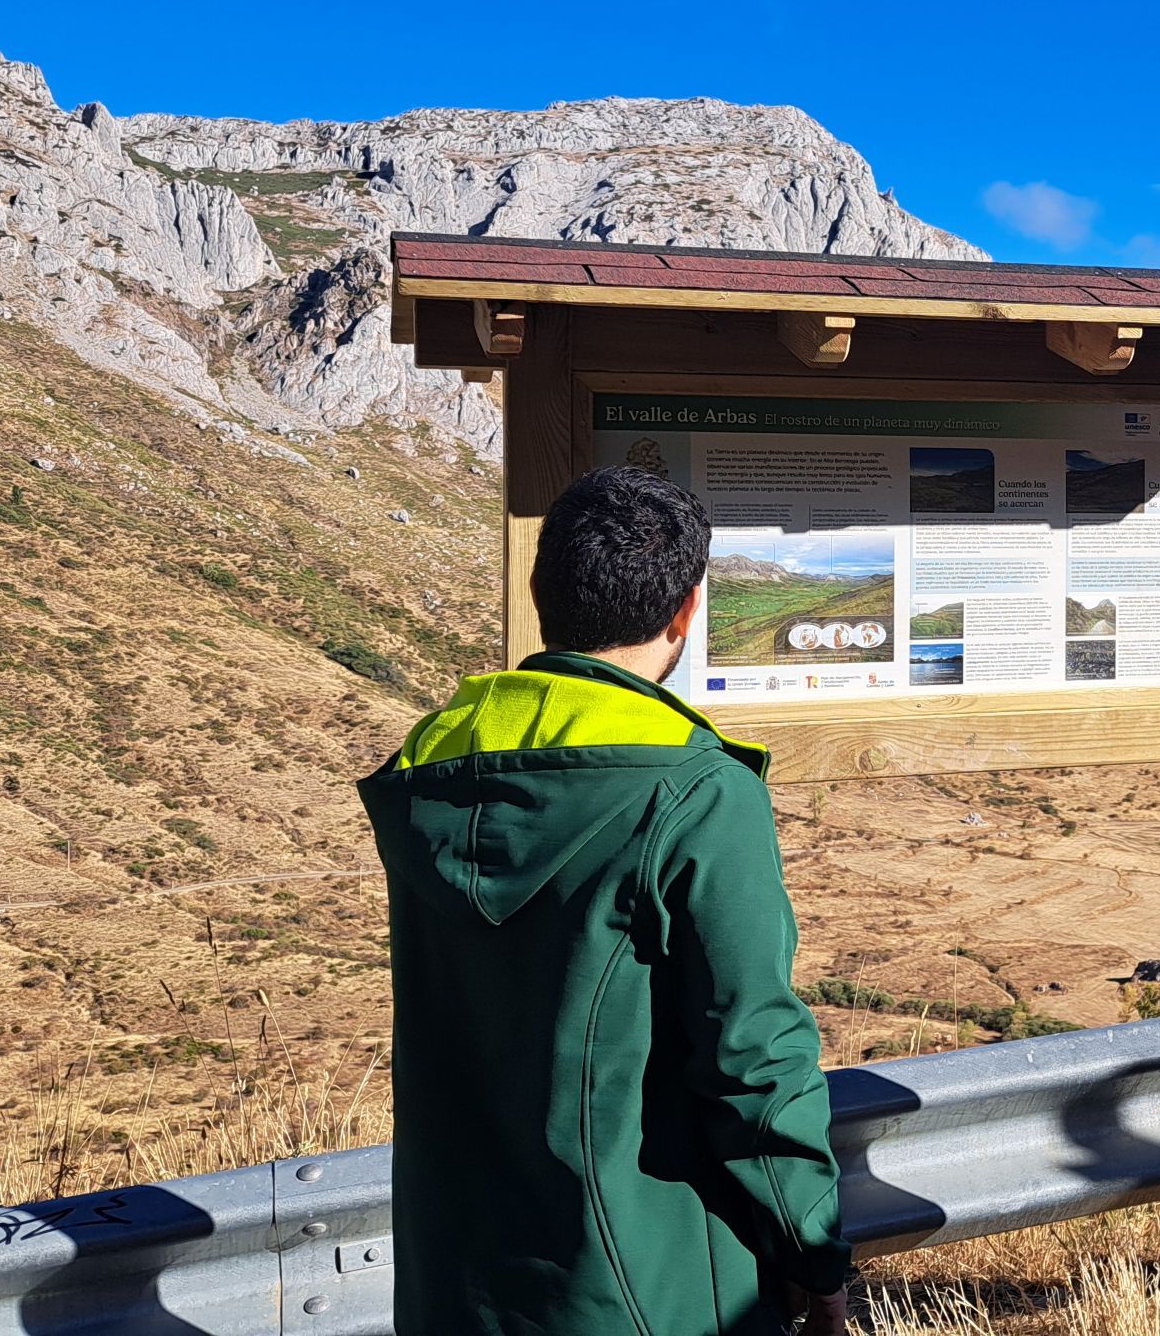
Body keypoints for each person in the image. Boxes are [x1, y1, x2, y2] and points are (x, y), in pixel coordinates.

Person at [360, 467, 852, 1334]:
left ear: (544, 596)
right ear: (685, 614)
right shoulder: (697, 791)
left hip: (453, 1282)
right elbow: (753, 1055)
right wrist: (811, 1251)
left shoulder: (428, 764)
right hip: (647, 1285)